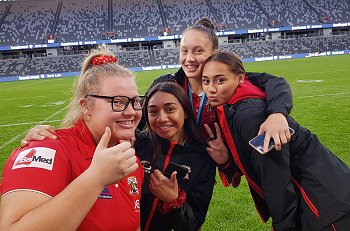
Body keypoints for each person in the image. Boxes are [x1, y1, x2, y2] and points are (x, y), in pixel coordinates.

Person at [201, 51, 350, 231]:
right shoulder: (235, 105)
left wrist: (283, 226)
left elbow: (275, 178)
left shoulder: (249, 116)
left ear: (240, 79)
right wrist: (226, 161)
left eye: (220, 80)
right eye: (206, 81)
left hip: (325, 204)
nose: (211, 88)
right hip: (329, 194)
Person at [0, 47, 145, 231]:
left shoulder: (131, 162)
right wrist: (95, 178)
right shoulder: (49, 150)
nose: (132, 111)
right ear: (86, 107)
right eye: (118, 101)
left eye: (136, 101)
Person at [135, 82, 216, 230]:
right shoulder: (137, 145)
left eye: (170, 109)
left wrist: (173, 201)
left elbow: (193, 224)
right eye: (153, 111)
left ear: (185, 112)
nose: (161, 118)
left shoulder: (202, 160)